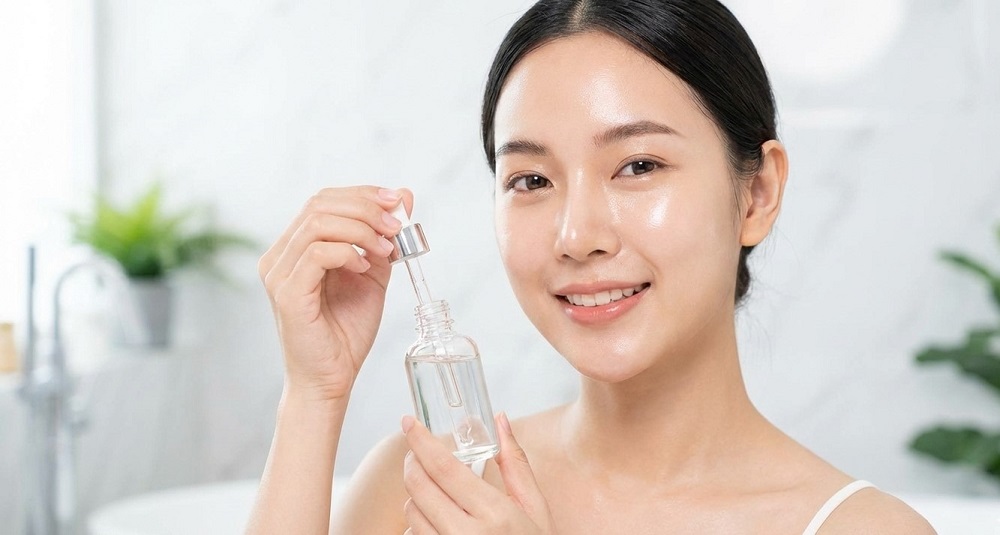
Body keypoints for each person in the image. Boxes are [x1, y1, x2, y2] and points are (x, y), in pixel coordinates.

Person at [247, 1, 937, 533]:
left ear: (756, 193)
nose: (577, 236)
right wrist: (313, 395)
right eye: (531, 180)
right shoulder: (430, 488)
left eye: (639, 165)